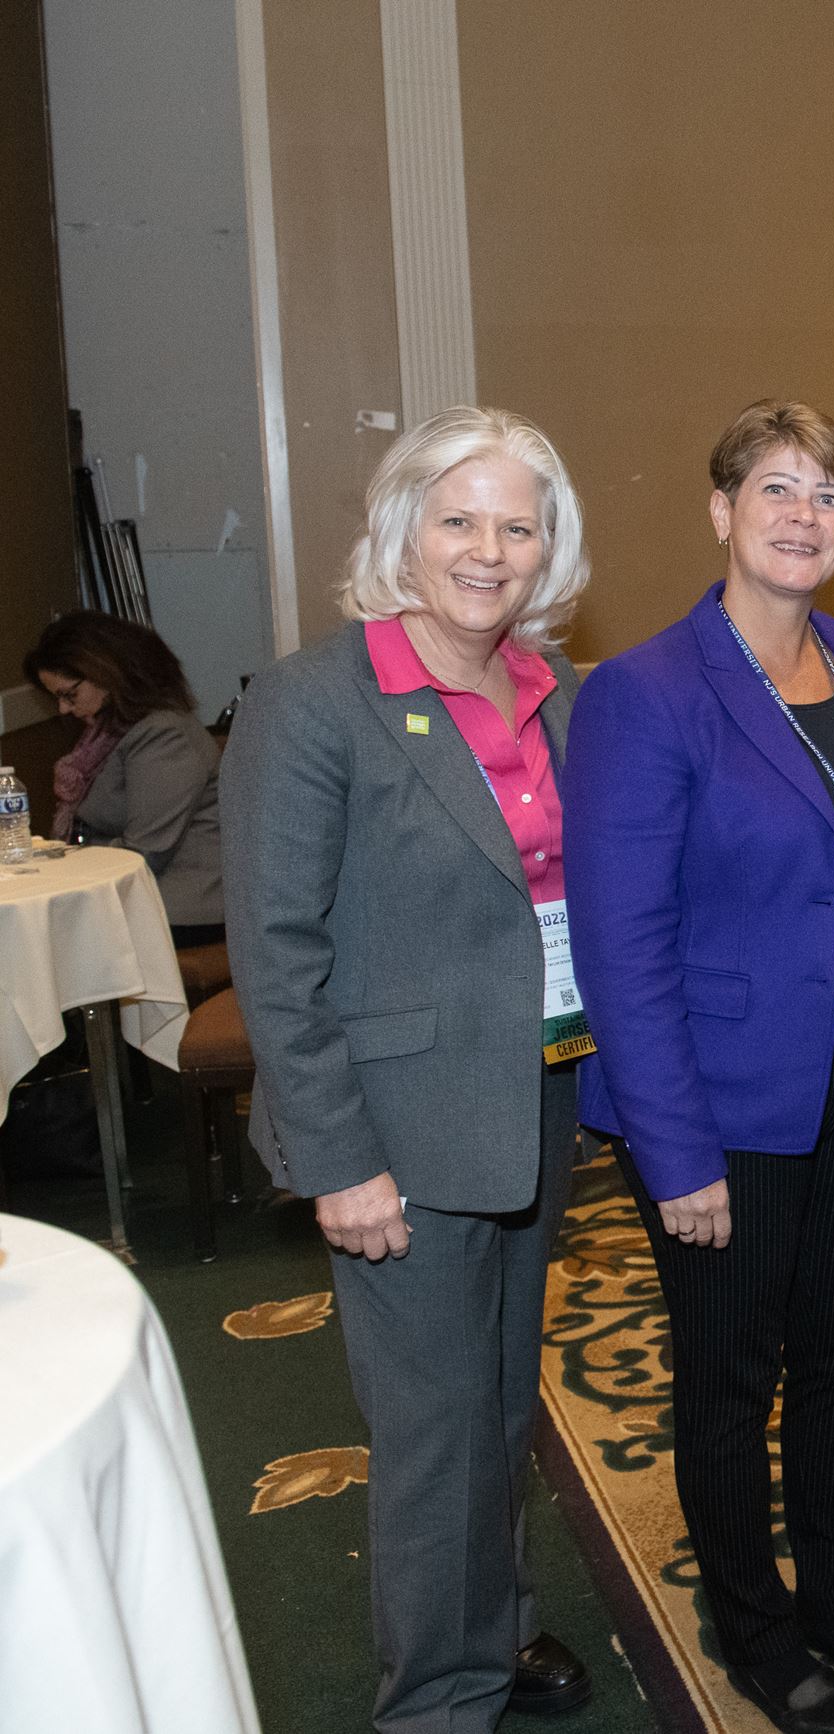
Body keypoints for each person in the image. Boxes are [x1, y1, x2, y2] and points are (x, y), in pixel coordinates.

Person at [220, 405, 597, 1731]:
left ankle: (487, 1630)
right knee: (432, 1436)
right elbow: (275, 949)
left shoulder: (550, 691)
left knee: (498, 1405)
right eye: (460, 519)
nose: (490, 549)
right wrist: (338, 1160)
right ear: (400, 530)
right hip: (397, 1135)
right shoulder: (315, 700)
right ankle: (437, 1700)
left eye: (518, 522)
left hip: (530, 1103)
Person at [563, 401, 834, 1734]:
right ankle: (755, 1626)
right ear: (721, 510)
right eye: (775, 489)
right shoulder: (647, 691)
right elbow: (623, 941)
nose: (802, 518)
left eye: (827, 495)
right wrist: (677, 1150)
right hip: (728, 1101)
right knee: (731, 1378)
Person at [26, 610, 224, 943]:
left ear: (105, 673)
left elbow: (146, 852)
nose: (63, 709)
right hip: (145, 897)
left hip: (181, 908)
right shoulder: (111, 733)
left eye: (68, 694)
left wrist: (72, 853)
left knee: (38, 941)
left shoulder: (163, 734)